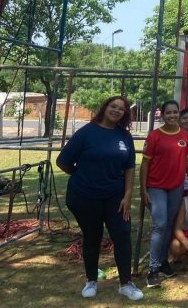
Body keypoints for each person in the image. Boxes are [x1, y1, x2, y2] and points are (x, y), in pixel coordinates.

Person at [56, 96, 143, 301]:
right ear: (105, 108)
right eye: (113, 106)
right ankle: (91, 281)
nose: (116, 110)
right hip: (85, 196)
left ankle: (126, 283)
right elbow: (63, 161)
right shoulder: (87, 132)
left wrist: (128, 195)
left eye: (121, 109)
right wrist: (81, 175)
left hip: (115, 197)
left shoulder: (125, 136)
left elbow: (130, 167)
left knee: (122, 236)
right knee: (92, 237)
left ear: (125, 114)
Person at [140, 99, 188, 288]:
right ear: (162, 115)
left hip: (176, 187)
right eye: (168, 113)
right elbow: (145, 164)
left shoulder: (184, 135)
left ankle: (163, 261)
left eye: (175, 112)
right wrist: (143, 189)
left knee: (170, 225)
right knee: (160, 224)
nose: (172, 115)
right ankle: (153, 270)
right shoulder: (154, 136)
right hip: (156, 187)